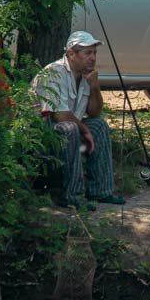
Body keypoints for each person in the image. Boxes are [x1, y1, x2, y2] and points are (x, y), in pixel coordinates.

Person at [32, 30, 126, 209]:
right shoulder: (53, 73)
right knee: (70, 128)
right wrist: (84, 129)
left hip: (69, 131)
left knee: (99, 125)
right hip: (42, 135)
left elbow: (95, 113)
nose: (92, 58)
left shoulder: (86, 76)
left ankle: (101, 191)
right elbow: (59, 116)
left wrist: (95, 87)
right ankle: (72, 195)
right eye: (87, 53)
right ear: (71, 54)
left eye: (94, 53)